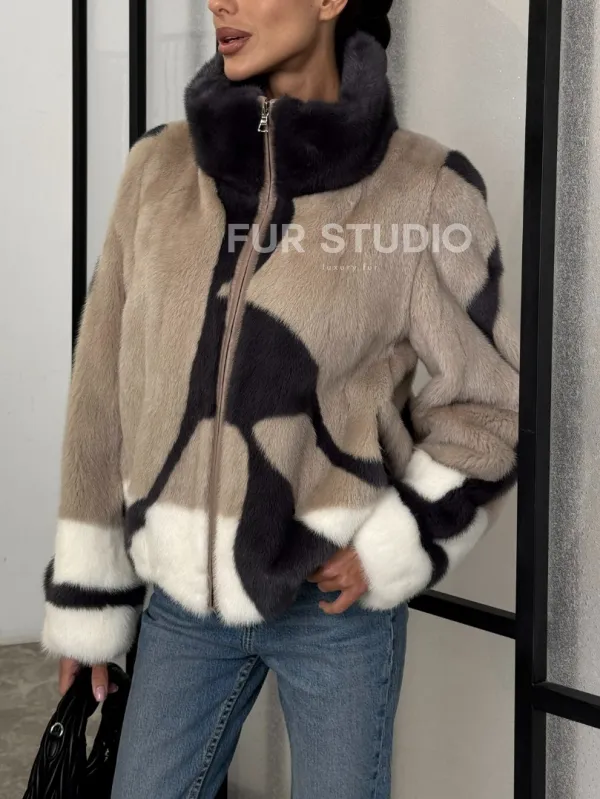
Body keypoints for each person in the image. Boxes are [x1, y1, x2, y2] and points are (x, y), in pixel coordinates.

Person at [41, 0, 520, 796]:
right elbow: (101, 395)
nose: (218, 1)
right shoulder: (158, 172)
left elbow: (488, 406)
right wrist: (91, 597)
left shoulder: (421, 192)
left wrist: (391, 544)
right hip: (183, 610)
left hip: (331, 613)